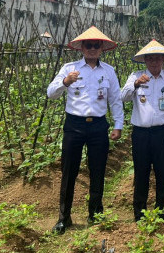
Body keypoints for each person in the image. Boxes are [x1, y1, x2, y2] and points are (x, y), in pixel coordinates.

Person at [47, 26, 124, 234]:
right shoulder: (69, 68)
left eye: (95, 45)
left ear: (101, 48)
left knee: (98, 171)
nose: (91, 48)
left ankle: (95, 214)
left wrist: (118, 125)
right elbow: (50, 93)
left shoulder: (108, 71)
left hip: (98, 126)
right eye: (88, 45)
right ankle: (64, 217)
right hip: (74, 126)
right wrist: (65, 82)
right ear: (81, 47)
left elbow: (115, 99)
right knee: (68, 171)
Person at [121, 39, 164, 223]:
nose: (154, 62)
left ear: (163, 60)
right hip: (140, 134)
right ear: (145, 60)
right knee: (141, 174)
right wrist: (135, 85)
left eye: (158, 58)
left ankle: (163, 214)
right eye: (150, 59)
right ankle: (139, 215)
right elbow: (122, 96)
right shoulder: (136, 76)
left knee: (163, 174)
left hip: (163, 133)